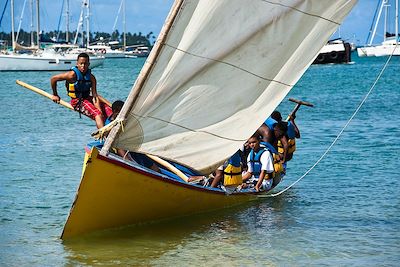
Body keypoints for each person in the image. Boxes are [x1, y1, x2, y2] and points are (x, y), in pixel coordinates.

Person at [50, 52, 112, 129]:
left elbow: (95, 96)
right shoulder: (71, 75)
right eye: (81, 64)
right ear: (77, 64)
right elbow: (53, 79)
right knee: (97, 114)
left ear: (89, 64)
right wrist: (55, 94)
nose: (83, 66)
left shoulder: (91, 78)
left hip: (88, 99)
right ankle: (103, 134)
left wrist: (100, 109)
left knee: (109, 111)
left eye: (85, 64)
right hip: (77, 102)